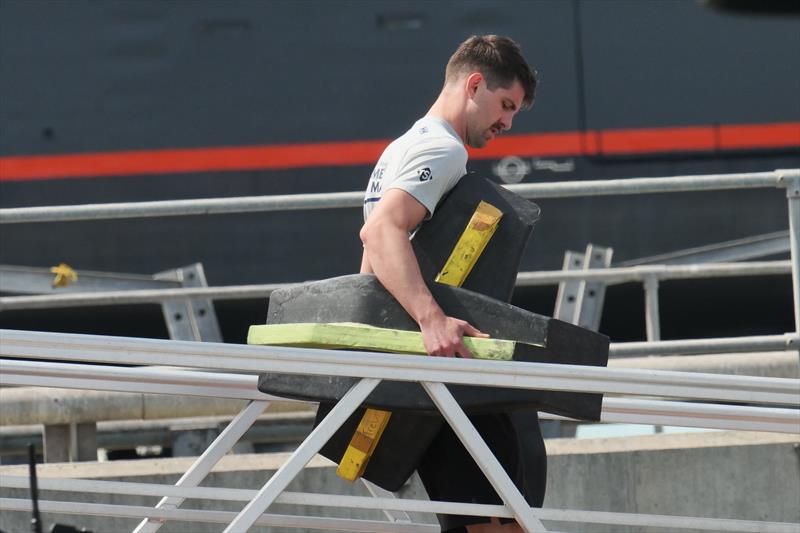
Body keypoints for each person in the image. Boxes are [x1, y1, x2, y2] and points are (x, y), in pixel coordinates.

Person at [359, 35, 538, 532]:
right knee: (504, 519)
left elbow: (371, 260)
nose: (506, 122)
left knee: (484, 517)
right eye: (505, 105)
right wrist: (430, 319)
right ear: (474, 84)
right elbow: (380, 231)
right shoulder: (442, 149)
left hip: (417, 369)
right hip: (439, 368)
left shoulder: (401, 146)